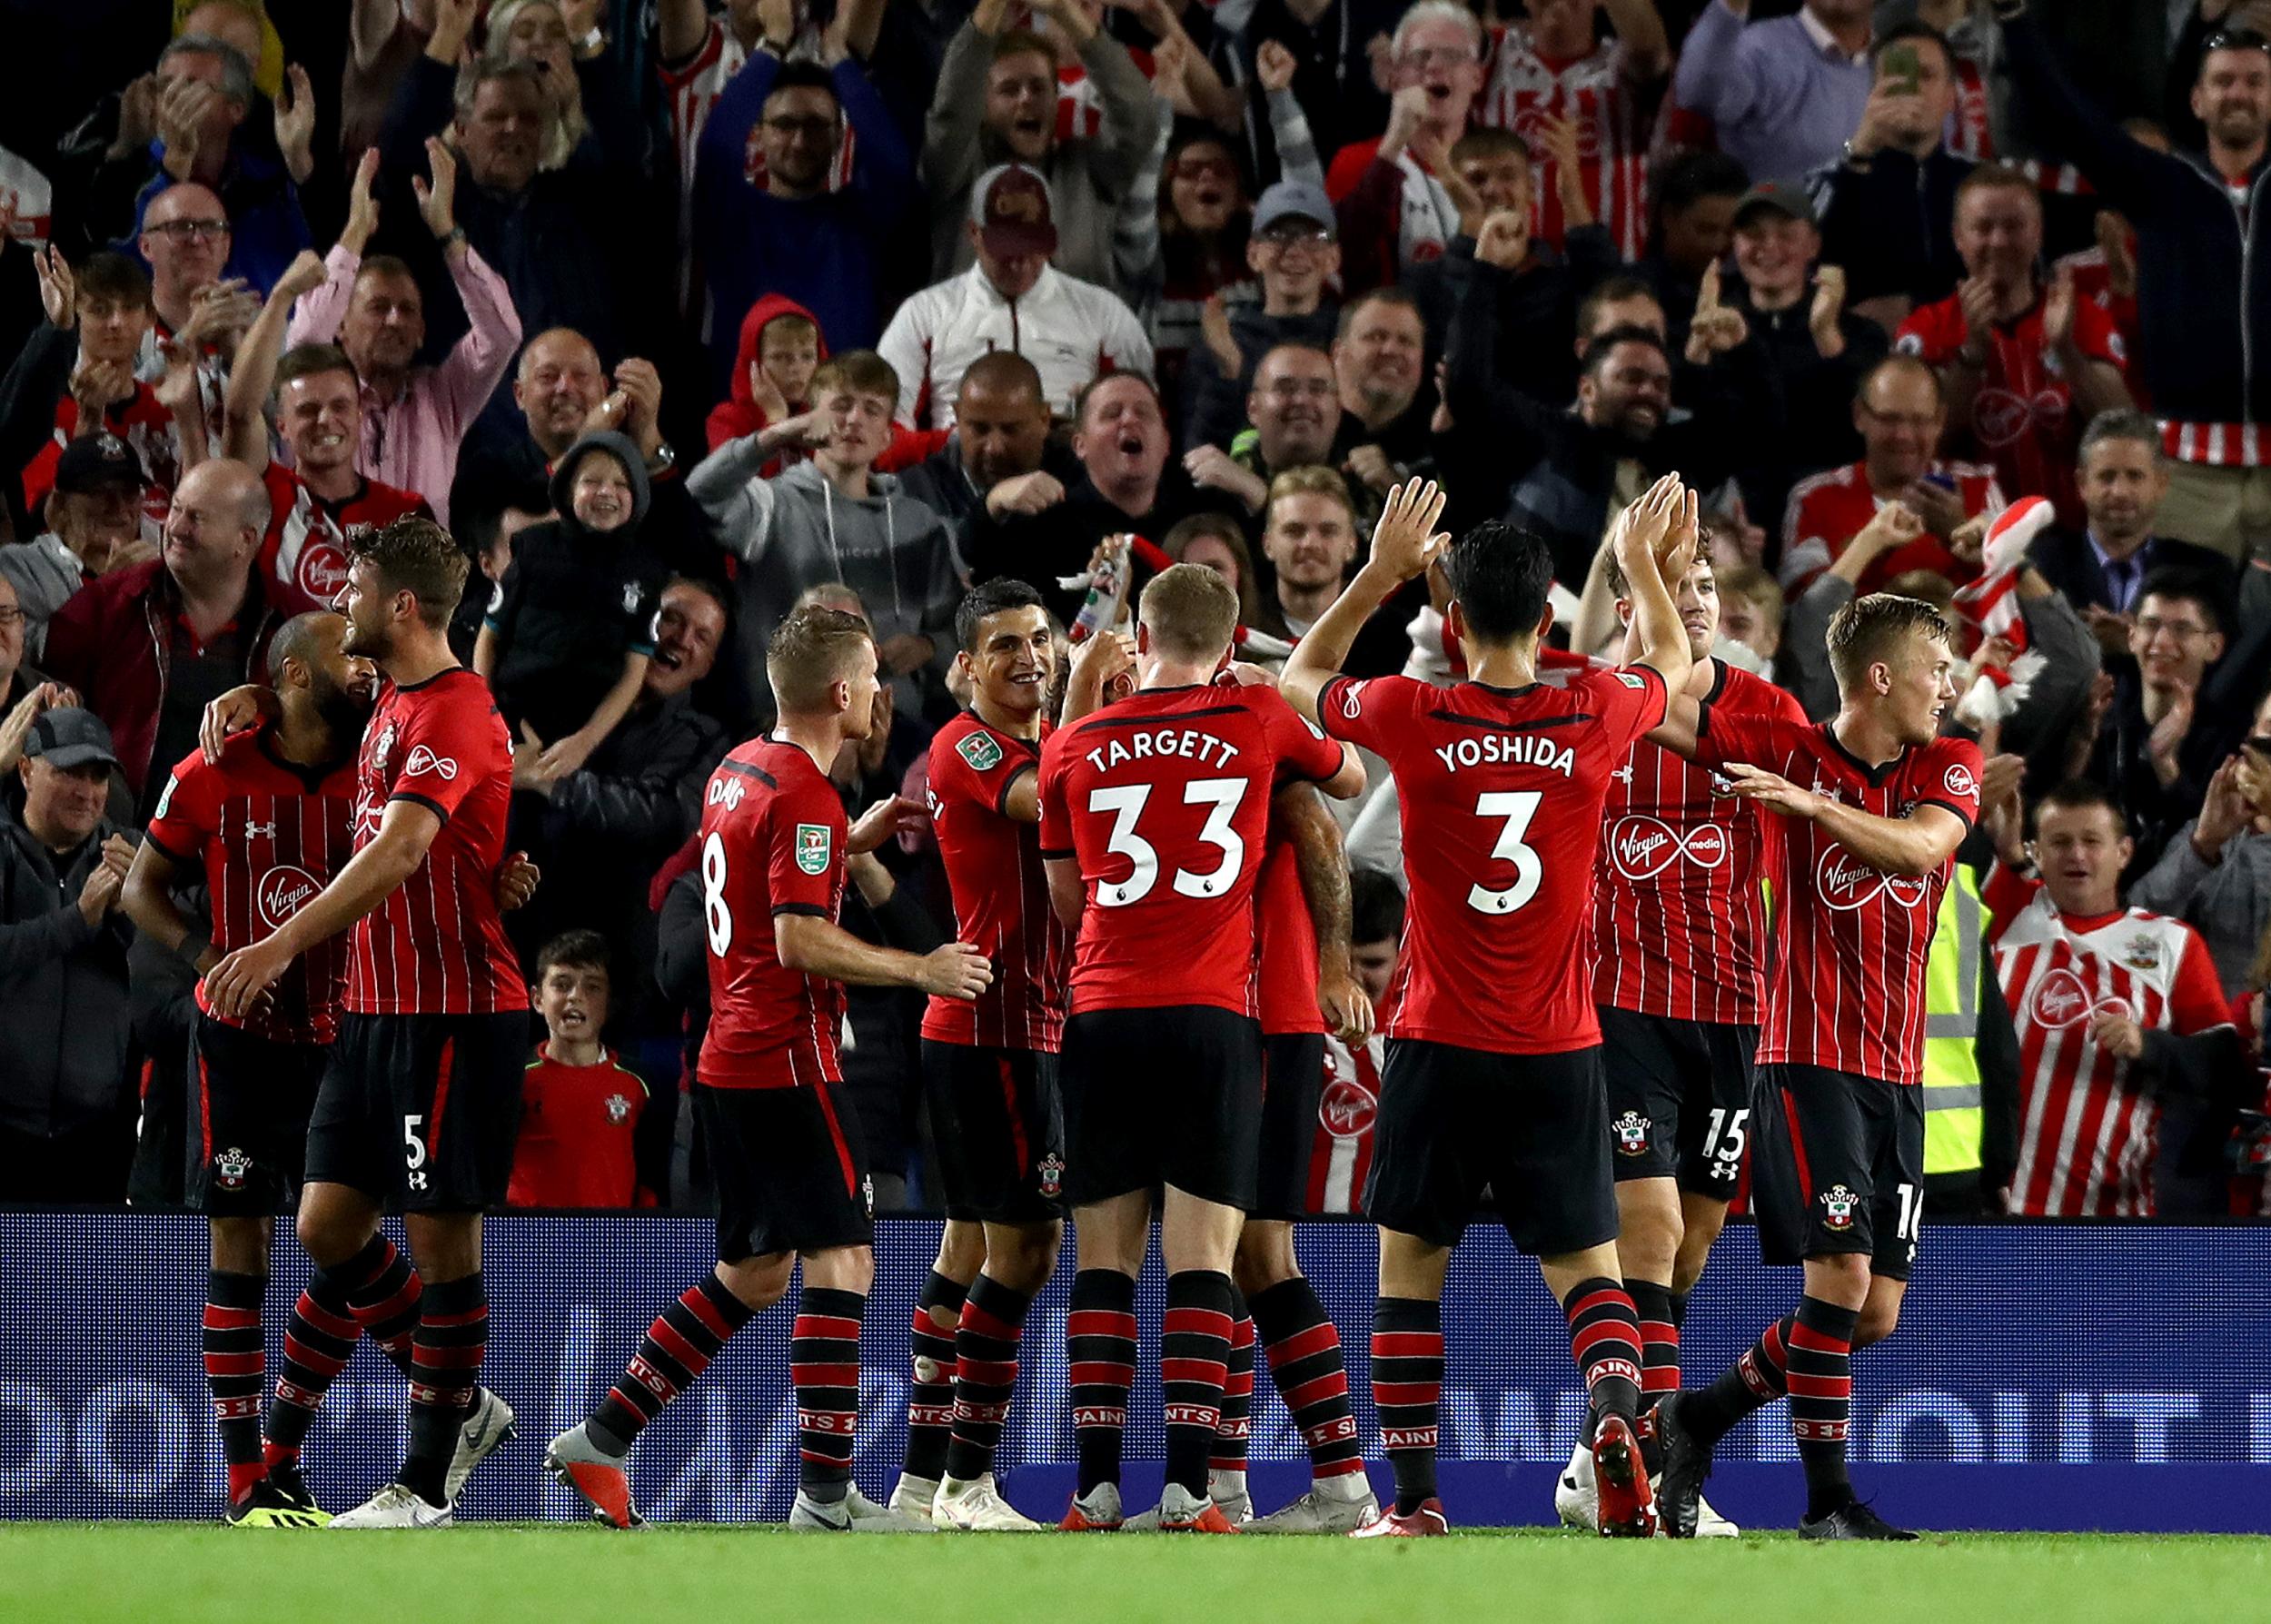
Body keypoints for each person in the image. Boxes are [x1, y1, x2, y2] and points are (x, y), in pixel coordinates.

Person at [1277, 477, 1696, 1536]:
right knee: (1588, 1276)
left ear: (1451, 621)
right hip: (1559, 1046)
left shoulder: (1412, 712)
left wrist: (1380, 570)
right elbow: (1674, 662)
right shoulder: (1594, 709)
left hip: (1434, 1040)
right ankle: (1610, 1410)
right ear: (1550, 617)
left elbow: (1301, 678)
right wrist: (1641, 561)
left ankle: (1415, 1506)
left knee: (1411, 1275)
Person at [545, 605, 991, 1532]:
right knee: (847, 1260)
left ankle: (602, 1439)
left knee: (753, 1271)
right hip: (789, 1060)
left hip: (728, 1062)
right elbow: (795, 940)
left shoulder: (738, 770)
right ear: (839, 691)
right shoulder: (804, 796)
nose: (881, 693)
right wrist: (920, 968)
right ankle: (826, 1500)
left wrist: (849, 844)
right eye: (872, 678)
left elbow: (757, 885)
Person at [200, 516, 530, 1528]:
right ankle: (464, 1406)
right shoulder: (385, 699)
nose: (339, 601)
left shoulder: (458, 712)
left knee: (441, 1243)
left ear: (399, 606)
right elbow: (307, 692)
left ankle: (424, 1480)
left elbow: (396, 853)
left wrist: (277, 944)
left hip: (454, 1015)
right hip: (374, 1013)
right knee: (326, 1225)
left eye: (353, 588)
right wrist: (256, 689)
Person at [1649, 592, 1986, 1541]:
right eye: (1933, 667)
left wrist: (1811, 807)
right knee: (1837, 1279)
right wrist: (1640, 576)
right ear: (1881, 676)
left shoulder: (1944, 766)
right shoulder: (1783, 746)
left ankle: (1697, 1416)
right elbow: (1658, 707)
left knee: (1871, 1314)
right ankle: (1827, 1502)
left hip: (1898, 1076)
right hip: (1806, 1061)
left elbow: (1923, 848)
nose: (1946, 686)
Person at [1037, 561, 1363, 1533]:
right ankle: (1189, 1491)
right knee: (1204, 1258)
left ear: (1137, 636)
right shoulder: (1255, 720)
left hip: (1099, 1010)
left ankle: (1095, 1491)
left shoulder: (1071, 742)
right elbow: (1345, 776)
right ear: (1227, 646)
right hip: (1212, 1013)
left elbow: (1066, 899)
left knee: (1101, 1260)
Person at [1554, 540, 1808, 1538]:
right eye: (1670, 587)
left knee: (1692, 1249)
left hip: (1734, 1016)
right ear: (1625, 603)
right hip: (1617, 1011)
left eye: (1704, 587)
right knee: (1648, 1236)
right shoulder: (1592, 711)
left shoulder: (1766, 712)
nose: (1695, 603)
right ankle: (1651, 1486)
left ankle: (1594, 1455)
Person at [120, 609, 366, 1526]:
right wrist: (204, 958)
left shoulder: (377, 768)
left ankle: (282, 1461)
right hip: (239, 1043)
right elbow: (142, 890)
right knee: (243, 1246)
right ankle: (242, 1486)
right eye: (350, 653)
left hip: (348, 1038)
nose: (368, 665)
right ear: (299, 676)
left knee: (343, 1244)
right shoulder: (211, 773)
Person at [887, 579, 1072, 1532]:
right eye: (1004, 645)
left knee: (967, 1245)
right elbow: (1054, 802)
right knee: (1027, 1249)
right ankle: (969, 1481)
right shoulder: (963, 745)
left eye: (1039, 639)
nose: (1027, 658)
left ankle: (920, 1484)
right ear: (963, 666)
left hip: (1014, 1030)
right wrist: (1103, 709)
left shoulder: (1040, 738)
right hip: (995, 1032)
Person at [1999, 7, 2271, 561]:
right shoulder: (2163, 185)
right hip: (2186, 477)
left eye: (2254, 81)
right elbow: (2067, 116)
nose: (2237, 94)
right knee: (2181, 633)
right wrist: (2015, 17)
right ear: (2197, 101)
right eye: (2222, 81)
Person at [1981, 778, 2245, 1217]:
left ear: (2123, 852)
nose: (2077, 855)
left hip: (2109, 1211)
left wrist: (2150, 1046)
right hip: (1994, 1206)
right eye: (2060, 842)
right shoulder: (2009, 914)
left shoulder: (2169, 944)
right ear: (2036, 853)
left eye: (2091, 841)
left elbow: (2223, 1067)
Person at [691, 352, 959, 712]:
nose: (853, 420)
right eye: (841, 406)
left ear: (887, 437)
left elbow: (958, 630)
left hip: (895, 731)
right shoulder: (772, 505)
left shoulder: (918, 522)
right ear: (811, 418)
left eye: (872, 410)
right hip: (789, 725)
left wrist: (928, 646)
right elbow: (701, 493)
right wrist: (777, 434)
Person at [281, 144, 522, 527]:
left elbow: (503, 333)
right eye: (378, 308)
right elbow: (305, 343)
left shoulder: (444, 398)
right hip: (329, 578)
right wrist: (356, 230)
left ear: (423, 332)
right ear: (341, 325)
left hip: (422, 582)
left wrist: (447, 231)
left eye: (407, 310)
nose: (394, 321)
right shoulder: (318, 398)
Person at [44, 457, 286, 811]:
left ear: (244, 540)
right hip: (121, 840)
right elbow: (55, 732)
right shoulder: (101, 607)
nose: (175, 528)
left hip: (244, 843)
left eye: (196, 518)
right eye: (176, 509)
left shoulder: (293, 622)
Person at [1894, 165, 2131, 526]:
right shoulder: (1927, 327)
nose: (1999, 241)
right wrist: (1972, 353)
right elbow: (1924, 443)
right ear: (1958, 237)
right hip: (1968, 534)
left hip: (2072, 532)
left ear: (2038, 234)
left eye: (2014, 226)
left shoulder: (2082, 315)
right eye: (1983, 228)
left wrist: (2068, 351)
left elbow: (2122, 427)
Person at [224, 254, 434, 616]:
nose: (325, 420)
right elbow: (241, 413)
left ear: (358, 413)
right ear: (282, 426)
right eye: (306, 410)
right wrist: (282, 298)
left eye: (339, 407)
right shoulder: (266, 495)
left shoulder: (406, 513)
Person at [878, 163, 1155, 432]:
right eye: (1006, 249)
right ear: (974, 233)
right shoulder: (924, 313)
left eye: (1031, 246)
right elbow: (886, 431)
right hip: (957, 471)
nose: (1019, 264)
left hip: (1070, 468)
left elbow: (1146, 422)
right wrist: (955, 448)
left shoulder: (1103, 312)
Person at [695, 42, 917, 371]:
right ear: (757, 134)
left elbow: (892, 163)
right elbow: (716, 147)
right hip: (745, 417)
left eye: (815, 126)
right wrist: (771, 48)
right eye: (784, 125)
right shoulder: (732, 215)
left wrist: (841, 59)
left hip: (843, 415)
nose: (799, 142)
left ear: (839, 136)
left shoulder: (859, 217)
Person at [924, 0, 1158, 289]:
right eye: (1009, 90)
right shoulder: (958, 171)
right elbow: (952, 113)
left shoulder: (1090, 169)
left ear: (1056, 98)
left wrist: (1066, 12)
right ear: (983, 107)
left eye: (1039, 87)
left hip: (1077, 331)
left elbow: (1139, 117)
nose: (1026, 98)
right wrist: (990, 10)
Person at [0, 708, 137, 1202]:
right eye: (68, 772)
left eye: (98, 775)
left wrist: (127, 916)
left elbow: (168, 974)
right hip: (5, 1127)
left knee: (85, 1277)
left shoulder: (132, 858)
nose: (87, 791)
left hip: (96, 1134)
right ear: (26, 768)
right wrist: (77, 920)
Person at [476, 431, 664, 784]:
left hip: (589, 747)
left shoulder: (646, 573)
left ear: (638, 496)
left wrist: (585, 743)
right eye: (591, 481)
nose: (606, 492)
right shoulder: (531, 549)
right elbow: (489, 637)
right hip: (511, 730)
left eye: (621, 483)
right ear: (567, 490)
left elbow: (633, 674)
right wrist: (488, 722)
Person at [966, 372, 1205, 625]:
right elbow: (979, 573)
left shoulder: (1199, 517)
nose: (1129, 420)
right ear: (1080, 445)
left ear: (1166, 442)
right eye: (1112, 414)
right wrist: (993, 501)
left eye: (1143, 413)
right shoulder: (1043, 526)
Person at [1780, 355, 2003, 597]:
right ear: (1859, 416)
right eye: (1889, 419)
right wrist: (1870, 548)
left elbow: (2016, 597)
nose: (1904, 435)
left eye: (1919, 420)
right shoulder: (1814, 498)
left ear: (1939, 420)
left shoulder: (1980, 488)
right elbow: (1802, 615)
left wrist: (1960, 532)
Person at [1474, 0, 1673, 263]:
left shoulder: (1623, 66)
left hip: (1610, 277)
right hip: (1513, 278)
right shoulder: (1493, 56)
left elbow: (1648, 45)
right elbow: (1441, 21)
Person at [119, 34, 312, 296]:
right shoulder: (126, 177)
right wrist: (174, 167)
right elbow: (123, 279)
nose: (175, 100)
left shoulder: (269, 188)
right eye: (165, 88)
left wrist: (298, 159)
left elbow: (324, 258)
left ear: (235, 109)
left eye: (192, 87)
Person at [2028, 410, 2235, 651]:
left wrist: (2137, 644)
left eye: (2135, 477)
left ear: (2161, 484)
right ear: (2082, 484)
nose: (2120, 492)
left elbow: (2222, 672)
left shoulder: (2207, 574)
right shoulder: (2039, 566)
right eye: (2107, 477)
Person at [1810, 21, 1975, 322]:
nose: (1911, 89)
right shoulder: (1835, 176)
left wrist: (1919, 310)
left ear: (1951, 97)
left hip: (1959, 344)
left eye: (1925, 76)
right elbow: (1805, 255)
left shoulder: (1978, 182)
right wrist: (1858, 149)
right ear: (1872, 92)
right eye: (1896, 76)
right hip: (1861, 351)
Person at [1324, 3, 1481, 292]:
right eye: (1420, 57)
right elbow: (1340, 262)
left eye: (1452, 56)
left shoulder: (1498, 165)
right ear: (1394, 79)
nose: (1434, 66)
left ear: (1476, 77)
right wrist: (1394, 144)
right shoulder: (1357, 162)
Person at [1179, 180, 1344, 452]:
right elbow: (1196, 461)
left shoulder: (1351, 340)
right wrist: (1227, 374)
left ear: (1334, 258)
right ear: (1253, 254)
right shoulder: (1221, 345)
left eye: (1313, 238)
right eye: (1278, 236)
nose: (1294, 251)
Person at [506, 930, 659, 1209]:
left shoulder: (639, 1083)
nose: (575, 997)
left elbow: (650, 1177)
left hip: (611, 1242)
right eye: (562, 985)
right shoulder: (514, 1077)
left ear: (609, 1002)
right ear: (537, 998)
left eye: (592, 987)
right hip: (528, 1242)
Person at [2132, 696, 2271, 999]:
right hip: (2211, 1033)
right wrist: (2202, 847)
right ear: (2250, 742)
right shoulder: (2208, 837)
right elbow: (2135, 933)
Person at [1671, 0, 1874, 183]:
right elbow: (1698, 93)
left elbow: (1848, 148)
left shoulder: (1890, 56)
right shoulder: (1761, 49)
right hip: (1774, 218)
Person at [1, 434, 160, 658]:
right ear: (61, 504)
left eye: (129, 492)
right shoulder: (17, 567)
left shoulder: (154, 573)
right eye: (100, 492)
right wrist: (110, 593)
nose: (119, 506)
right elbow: (29, 657)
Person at [1305, 866, 1403, 1214]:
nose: (1355, 980)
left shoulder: (1417, 1037)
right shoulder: (1288, 1033)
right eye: (1344, 964)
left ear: (1401, 956)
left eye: (1373, 963)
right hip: (1297, 1235)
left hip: (1392, 1247)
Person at [1192, 342, 1344, 520]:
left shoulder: (1368, 488)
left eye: (1317, 389)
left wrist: (1263, 500)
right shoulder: (1220, 491)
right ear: (1253, 408)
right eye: (1286, 388)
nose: (1302, 400)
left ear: (1338, 408)